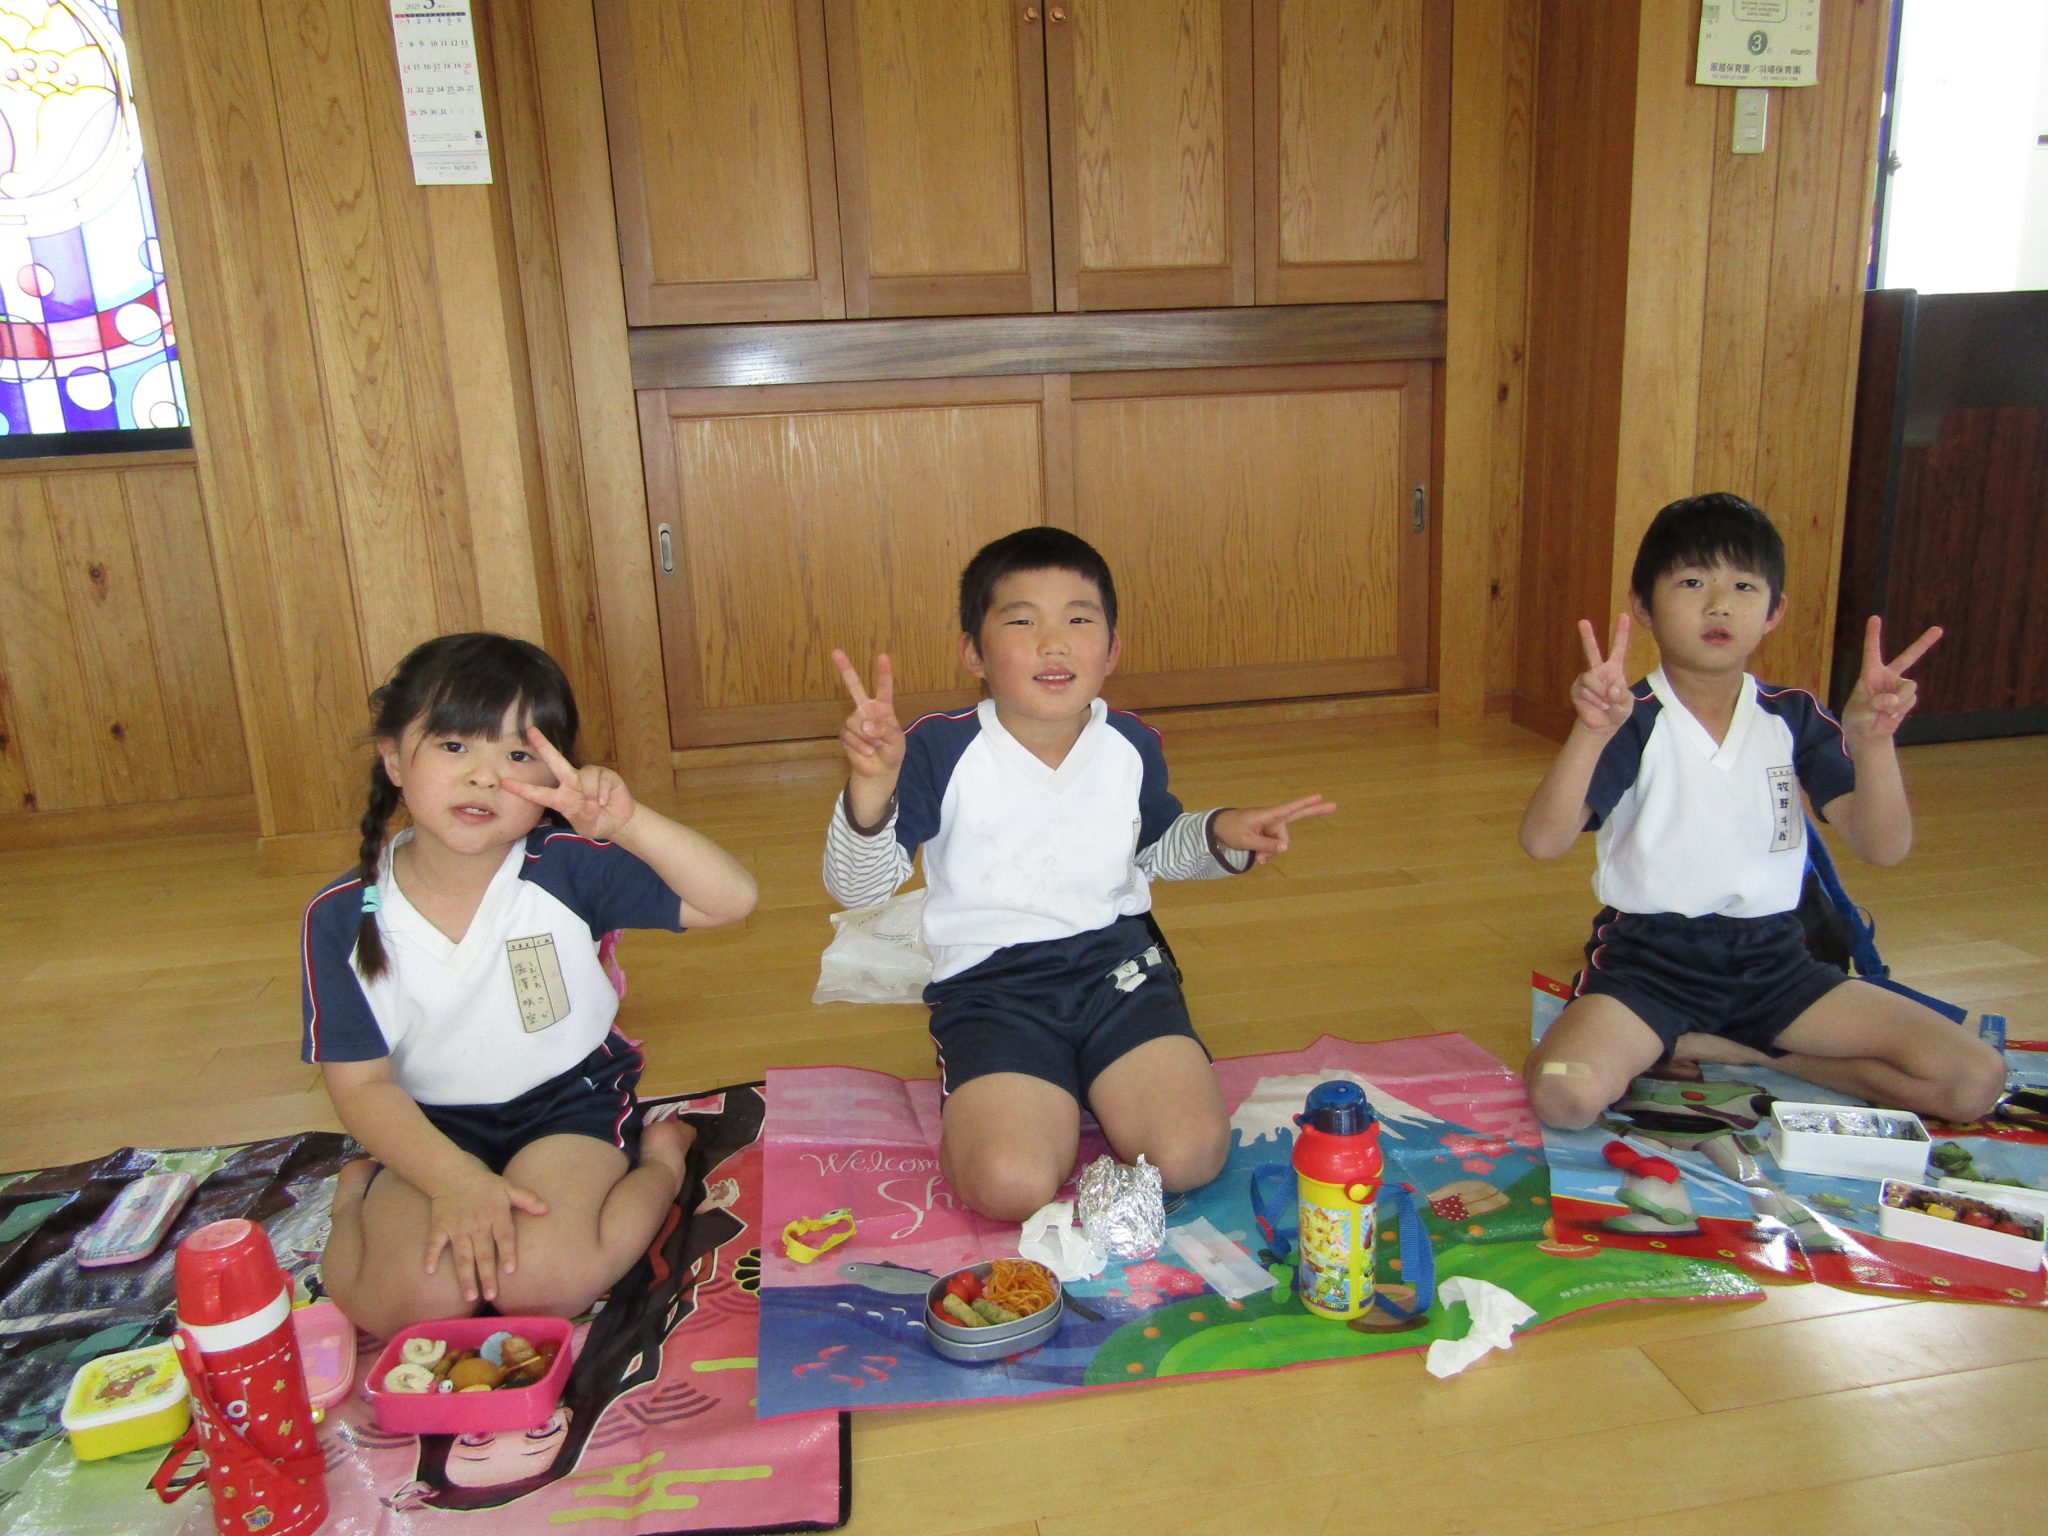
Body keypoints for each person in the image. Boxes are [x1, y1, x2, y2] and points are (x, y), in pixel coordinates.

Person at [823, 528, 1334, 1221]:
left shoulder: (1130, 742)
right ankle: (1036, 1088)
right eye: (1022, 622)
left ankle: (1091, 1076)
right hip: (993, 991)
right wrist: (871, 786)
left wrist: (1223, 832)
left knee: (1190, 1155)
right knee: (1010, 1184)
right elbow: (859, 888)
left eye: (1079, 620)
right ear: (973, 652)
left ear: (1112, 649)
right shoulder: (938, 748)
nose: (1053, 643)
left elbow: (1157, 847)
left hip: (1120, 973)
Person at [302, 633, 757, 1338]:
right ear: (393, 758)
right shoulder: (343, 914)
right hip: (428, 1123)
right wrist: (454, 1181)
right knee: (406, 1306)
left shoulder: (565, 866)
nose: (484, 777)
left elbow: (730, 900)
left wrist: (629, 824)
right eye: (455, 745)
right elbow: (361, 1085)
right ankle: (352, 1197)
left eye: (517, 756)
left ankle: (662, 1166)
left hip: (567, 1104)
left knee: (544, 1284)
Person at [1519, 492, 2005, 1130]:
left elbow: (1883, 847)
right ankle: (1707, 1039)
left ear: (1775, 611)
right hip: (1649, 964)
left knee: (1974, 1080)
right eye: (1692, 582)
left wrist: (1873, 742)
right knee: (1564, 1093)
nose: (1719, 604)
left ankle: (1732, 1049)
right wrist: (1589, 733)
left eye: (1744, 586)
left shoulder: (1792, 714)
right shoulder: (1631, 718)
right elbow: (1543, 840)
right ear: (1643, 605)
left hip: (1776, 961)